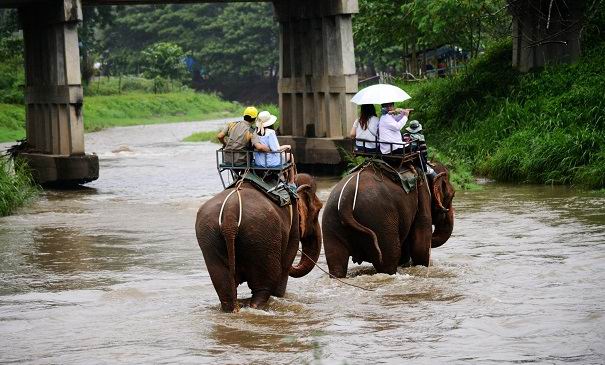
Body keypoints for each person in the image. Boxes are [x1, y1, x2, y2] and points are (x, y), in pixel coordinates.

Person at [252, 111, 295, 184]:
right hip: (271, 162)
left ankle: (285, 179)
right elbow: (276, 149)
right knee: (290, 156)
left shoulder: (255, 131)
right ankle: (291, 182)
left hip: (259, 162)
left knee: (283, 156)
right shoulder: (270, 132)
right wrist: (287, 146)